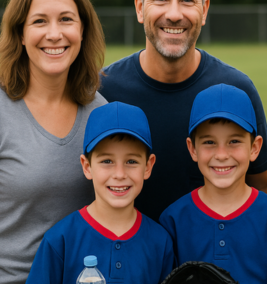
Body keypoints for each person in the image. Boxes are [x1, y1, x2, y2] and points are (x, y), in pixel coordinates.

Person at [0, 0, 107, 283]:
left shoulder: (100, 113)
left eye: (67, 19)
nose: (54, 33)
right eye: (40, 21)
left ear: (82, 30)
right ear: (20, 34)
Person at [98, 0, 267, 222]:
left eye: (187, 0)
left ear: (204, 10)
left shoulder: (236, 90)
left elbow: (265, 185)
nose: (174, 14)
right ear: (140, 8)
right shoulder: (104, 91)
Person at [26, 102, 175, 284]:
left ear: (148, 166)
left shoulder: (160, 242)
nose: (119, 174)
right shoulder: (61, 240)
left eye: (131, 161)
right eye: (107, 161)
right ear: (87, 166)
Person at [159, 84, 267, 284]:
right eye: (209, 142)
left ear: (255, 148)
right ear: (192, 148)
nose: (221, 155)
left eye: (234, 141)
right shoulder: (174, 219)